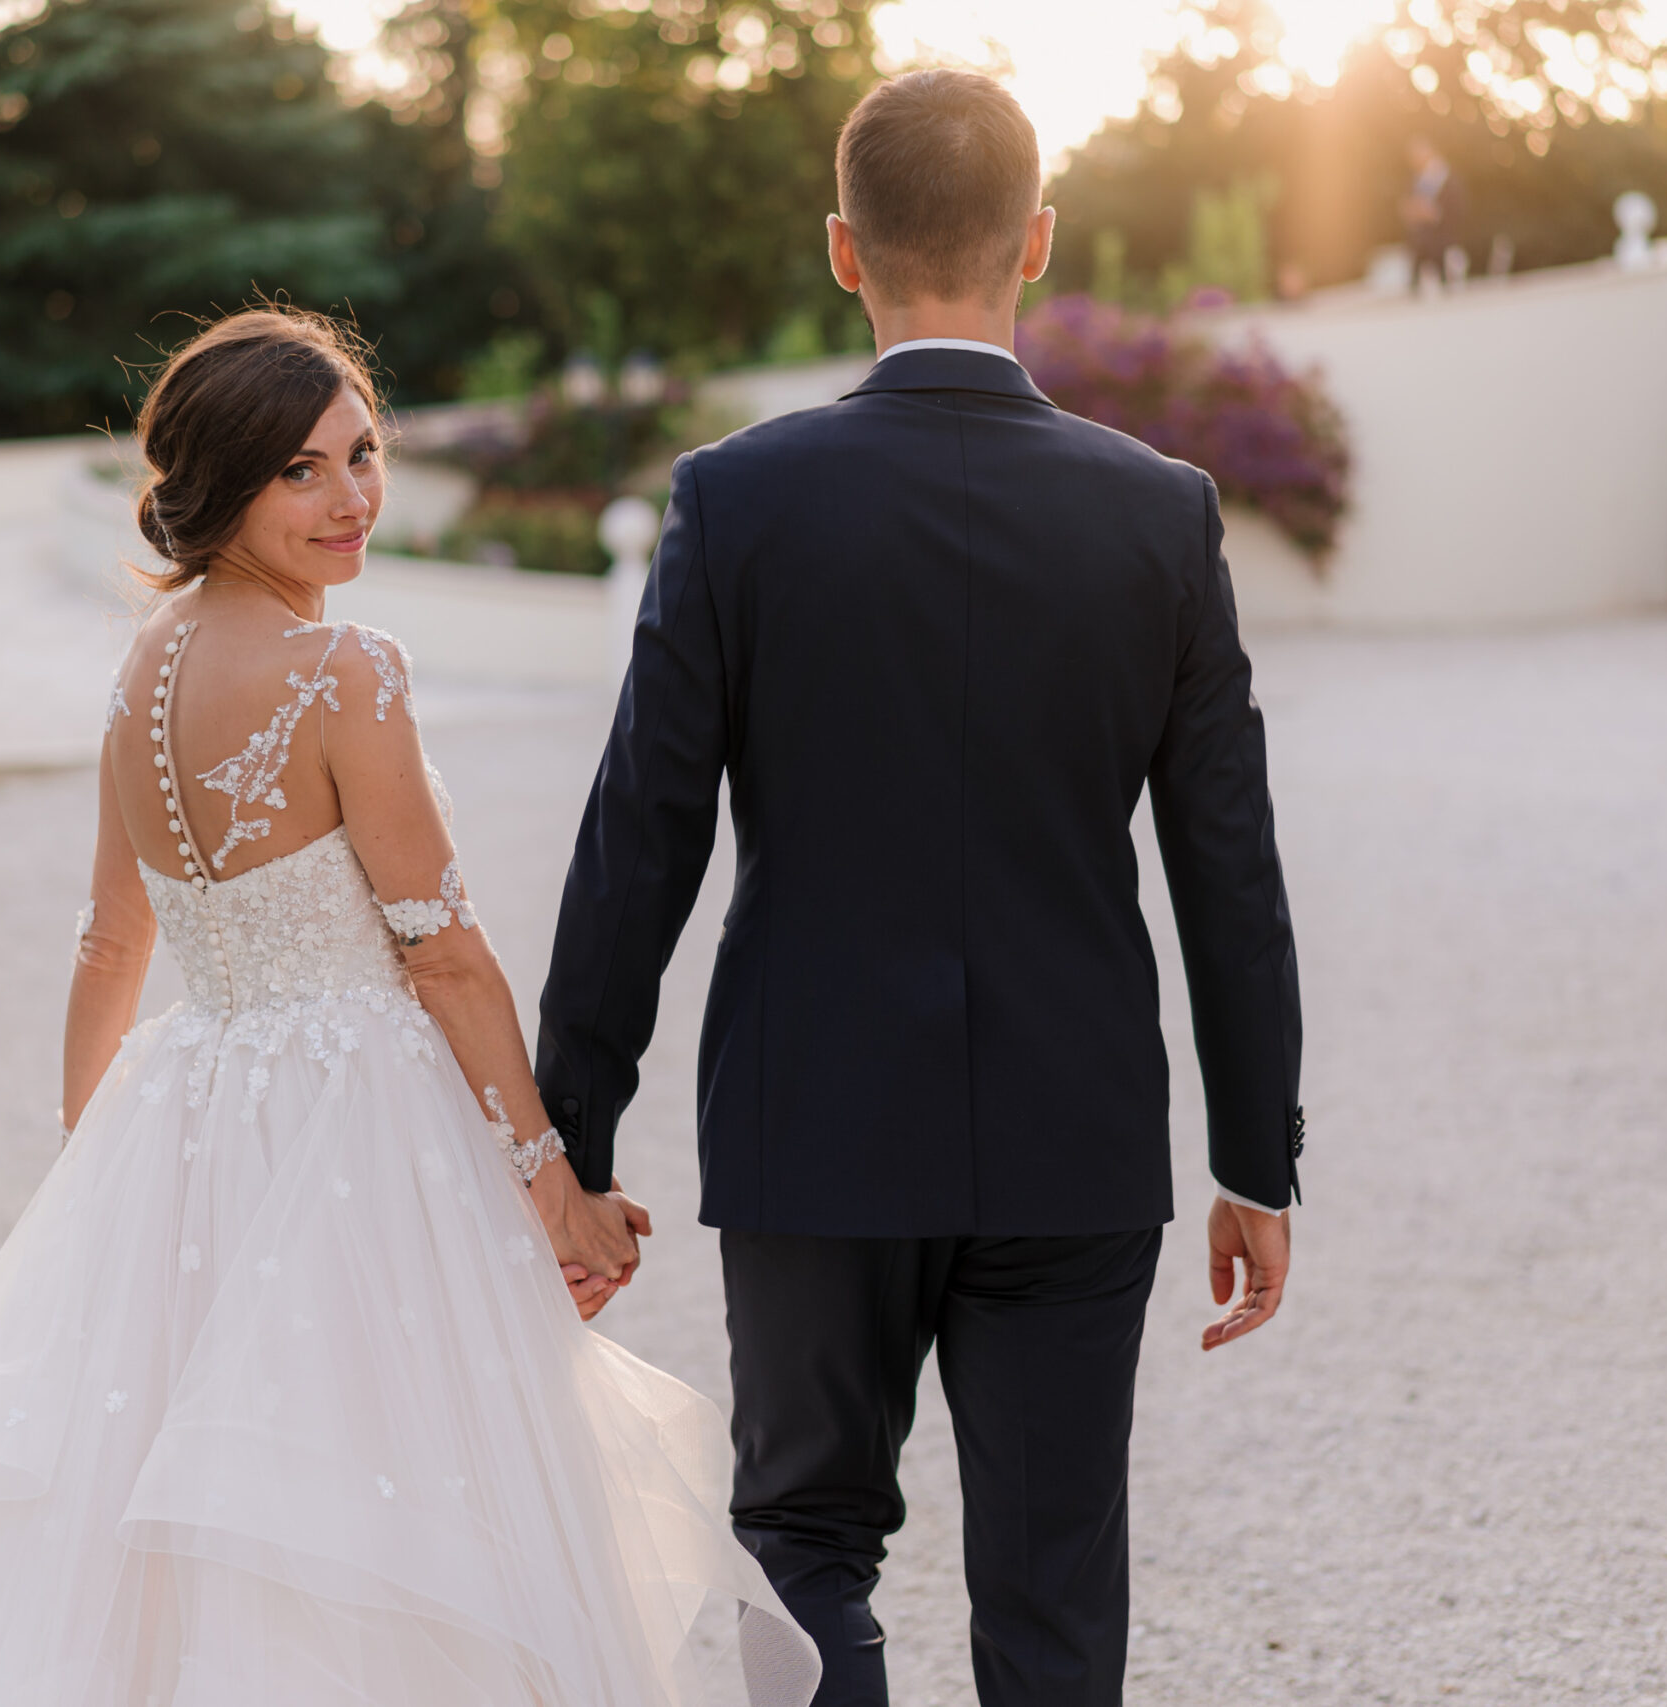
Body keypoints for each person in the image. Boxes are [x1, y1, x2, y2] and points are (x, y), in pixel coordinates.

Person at [0, 310, 820, 1707]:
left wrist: (90, 1171)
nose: (352, 496)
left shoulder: (141, 674)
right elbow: (447, 957)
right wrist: (555, 1188)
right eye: (302, 471)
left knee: (184, 1541)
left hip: (183, 1122)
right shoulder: (343, 673)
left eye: (363, 456)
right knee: (378, 1512)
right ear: (225, 485)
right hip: (360, 1131)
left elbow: (111, 943)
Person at [534, 70, 1304, 1707]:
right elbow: (1227, 858)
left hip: (813, 1123)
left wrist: (569, 1140)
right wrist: (1257, 1150)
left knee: (803, 1556)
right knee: (1053, 1593)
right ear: (1037, 241)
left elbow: (638, 840)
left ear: (841, 249)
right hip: (1074, 1132)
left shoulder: (734, 502)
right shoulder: (1160, 515)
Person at [1402, 134, 1467, 291]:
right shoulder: (1418, 178)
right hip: (1423, 234)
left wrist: (1435, 214)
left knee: (1437, 256)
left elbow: (1457, 207)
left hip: (1443, 234)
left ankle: (1443, 283)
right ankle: (1416, 287)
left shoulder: (1445, 176)